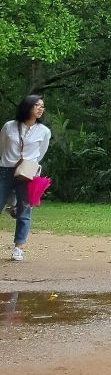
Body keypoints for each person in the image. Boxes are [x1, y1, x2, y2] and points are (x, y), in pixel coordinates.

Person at [1, 95, 52, 262]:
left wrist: (29, 166)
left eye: (42, 106)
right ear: (27, 107)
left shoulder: (44, 131)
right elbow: (2, 147)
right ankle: (11, 204)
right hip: (6, 171)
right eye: (37, 105)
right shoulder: (9, 126)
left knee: (25, 211)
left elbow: (41, 153)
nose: (40, 108)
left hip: (28, 174)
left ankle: (18, 248)